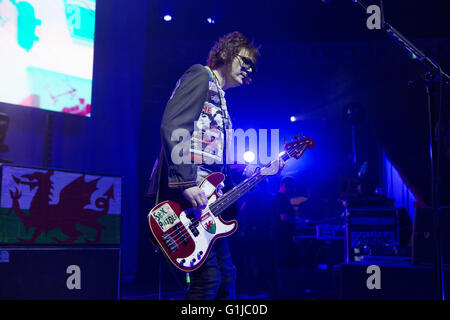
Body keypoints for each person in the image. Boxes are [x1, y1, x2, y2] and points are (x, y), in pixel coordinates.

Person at [146, 31, 271, 300]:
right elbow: (173, 125)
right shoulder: (201, 75)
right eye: (244, 61)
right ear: (225, 54)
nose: (248, 69)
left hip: (210, 202)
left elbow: (214, 155)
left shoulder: (222, 99)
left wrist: (248, 172)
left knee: (227, 277)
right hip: (188, 193)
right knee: (209, 280)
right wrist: (187, 183)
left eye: (253, 67)